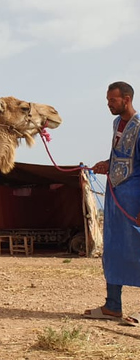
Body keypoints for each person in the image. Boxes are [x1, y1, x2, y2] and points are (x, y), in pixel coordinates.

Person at [84, 81, 140, 325]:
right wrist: (106, 164)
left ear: (126, 99)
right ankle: (113, 306)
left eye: (112, 101)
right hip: (115, 197)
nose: (108, 104)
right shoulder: (117, 124)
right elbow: (121, 156)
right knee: (114, 248)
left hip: (134, 199)